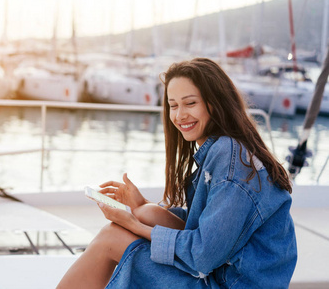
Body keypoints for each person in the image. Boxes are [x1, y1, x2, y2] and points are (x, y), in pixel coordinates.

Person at [57, 58, 297, 288]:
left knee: (111, 238)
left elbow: (203, 257)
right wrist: (139, 205)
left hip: (229, 284)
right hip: (225, 277)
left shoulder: (229, 155)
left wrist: (134, 225)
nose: (180, 115)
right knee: (145, 212)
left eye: (190, 103)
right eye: (173, 105)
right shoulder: (227, 149)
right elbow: (207, 228)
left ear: (215, 102)